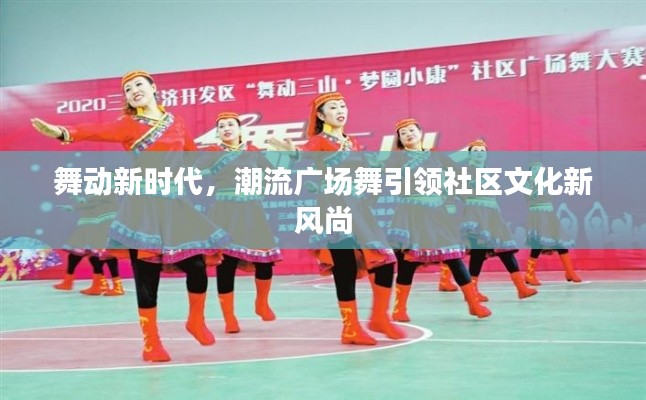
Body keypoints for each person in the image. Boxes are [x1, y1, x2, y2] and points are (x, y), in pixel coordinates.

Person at [31, 70, 230, 362]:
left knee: (197, 266)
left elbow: (192, 157)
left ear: (153, 87)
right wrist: (63, 132)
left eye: (138, 84)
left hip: (176, 204)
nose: (134, 90)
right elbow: (95, 129)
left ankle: (196, 321)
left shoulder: (176, 122)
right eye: (127, 89)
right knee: (147, 275)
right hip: (143, 205)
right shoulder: (127, 124)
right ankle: (151, 342)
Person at [268, 92, 405, 345]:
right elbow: (306, 153)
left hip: (358, 207)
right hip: (333, 206)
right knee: (345, 266)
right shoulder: (319, 141)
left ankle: (379, 317)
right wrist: (293, 152)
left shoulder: (351, 141)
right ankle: (350, 328)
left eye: (342, 106)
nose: (340, 110)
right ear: (321, 116)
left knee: (385, 259)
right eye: (333, 107)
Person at [387, 119, 491, 321]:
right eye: (403, 133)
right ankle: (399, 309)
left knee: (454, 258)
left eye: (411, 130)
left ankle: (473, 304)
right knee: (409, 262)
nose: (408, 134)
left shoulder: (438, 157)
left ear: (420, 132)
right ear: (399, 139)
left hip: (437, 214)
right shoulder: (396, 159)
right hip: (413, 213)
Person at [201, 112, 281, 333]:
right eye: (221, 126)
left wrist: (285, 156)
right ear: (217, 133)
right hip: (225, 212)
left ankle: (261, 303)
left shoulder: (252, 151)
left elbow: (272, 175)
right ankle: (229, 317)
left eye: (230, 124)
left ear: (239, 129)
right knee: (226, 265)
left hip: (252, 212)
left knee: (265, 262)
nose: (226, 128)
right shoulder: (212, 152)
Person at [460, 139, 537, 301]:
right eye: (475, 151)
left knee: (505, 249)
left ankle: (521, 288)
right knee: (478, 252)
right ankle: (472, 291)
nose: (479, 154)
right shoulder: (466, 171)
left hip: (493, 215)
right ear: (469, 155)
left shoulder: (488, 172)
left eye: (482, 151)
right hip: (476, 214)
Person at [524, 162, 582, 285]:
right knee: (537, 244)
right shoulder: (527, 184)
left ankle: (570, 272)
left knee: (560, 242)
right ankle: (529, 274)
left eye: (540, 169)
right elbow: (530, 197)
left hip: (549, 215)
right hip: (537, 216)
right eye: (535, 169)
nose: (538, 171)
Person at [53, 194, 123, 296]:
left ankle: (114, 286)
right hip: (96, 223)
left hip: (104, 222)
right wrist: (80, 201)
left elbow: (94, 201)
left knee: (104, 255)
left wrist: (75, 206)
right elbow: (92, 202)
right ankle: (100, 284)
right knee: (94, 255)